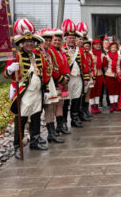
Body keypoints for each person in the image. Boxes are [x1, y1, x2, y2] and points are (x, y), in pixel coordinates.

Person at [4, 18, 48, 159]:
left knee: (35, 117)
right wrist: (11, 69)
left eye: (31, 41)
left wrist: (45, 90)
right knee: (21, 120)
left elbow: (44, 74)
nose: (29, 43)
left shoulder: (38, 56)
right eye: (27, 41)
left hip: (37, 92)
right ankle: (18, 145)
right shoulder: (16, 56)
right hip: (24, 92)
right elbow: (5, 74)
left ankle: (35, 140)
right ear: (22, 43)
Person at [35, 29, 64, 144]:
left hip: (49, 82)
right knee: (38, 111)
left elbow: (54, 67)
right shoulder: (37, 52)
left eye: (48, 40)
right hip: (42, 84)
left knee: (51, 107)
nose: (47, 42)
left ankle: (51, 134)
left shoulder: (48, 52)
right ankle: (36, 137)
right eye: (45, 40)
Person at [61, 19, 89, 128]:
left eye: (73, 38)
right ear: (65, 39)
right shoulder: (62, 49)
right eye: (70, 38)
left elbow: (85, 64)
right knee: (66, 100)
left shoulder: (79, 50)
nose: (72, 40)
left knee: (77, 98)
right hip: (68, 79)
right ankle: (63, 121)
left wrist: (86, 77)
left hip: (78, 78)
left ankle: (75, 118)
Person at [48, 28, 71, 135]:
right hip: (55, 82)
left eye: (59, 40)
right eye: (55, 40)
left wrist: (67, 76)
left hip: (63, 82)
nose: (57, 42)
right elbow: (52, 68)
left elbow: (67, 66)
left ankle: (60, 126)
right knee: (53, 106)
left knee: (60, 104)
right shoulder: (49, 51)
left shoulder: (62, 51)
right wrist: (61, 79)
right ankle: (52, 130)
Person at [76, 22, 93, 121]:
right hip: (80, 75)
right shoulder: (78, 51)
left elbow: (89, 65)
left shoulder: (88, 54)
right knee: (81, 94)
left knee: (87, 92)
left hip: (87, 75)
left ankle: (84, 110)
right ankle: (80, 112)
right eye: (81, 39)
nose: (85, 45)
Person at [104, 42, 121, 112]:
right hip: (109, 74)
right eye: (112, 47)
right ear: (110, 49)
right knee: (111, 90)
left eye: (115, 47)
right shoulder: (106, 56)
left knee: (117, 90)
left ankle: (116, 104)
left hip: (117, 74)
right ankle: (112, 104)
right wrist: (109, 72)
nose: (114, 49)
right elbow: (105, 67)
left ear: (117, 48)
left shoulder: (120, 56)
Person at [89, 39, 106, 113]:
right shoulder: (90, 54)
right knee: (92, 91)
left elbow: (105, 65)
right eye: (96, 44)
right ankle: (92, 106)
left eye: (99, 44)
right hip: (92, 75)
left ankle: (96, 106)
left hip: (99, 74)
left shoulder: (102, 55)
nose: (98, 46)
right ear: (93, 45)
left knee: (98, 91)